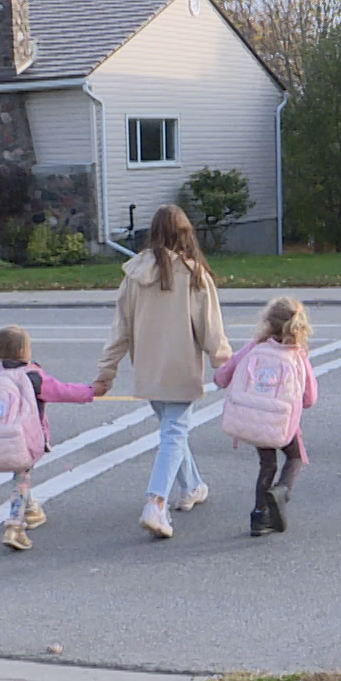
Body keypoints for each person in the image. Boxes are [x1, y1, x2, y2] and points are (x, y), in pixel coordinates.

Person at [93, 204, 232, 539]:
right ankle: (156, 502)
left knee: (173, 431)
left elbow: (120, 331)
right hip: (181, 370)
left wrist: (106, 372)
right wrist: (224, 364)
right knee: (174, 432)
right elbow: (211, 331)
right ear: (186, 234)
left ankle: (192, 487)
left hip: (148, 371)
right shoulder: (194, 274)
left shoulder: (133, 275)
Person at [0, 325, 95, 551]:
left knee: (20, 475)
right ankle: (14, 526)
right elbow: (62, 390)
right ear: (23, 351)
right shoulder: (32, 377)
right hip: (23, 440)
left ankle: (31, 510)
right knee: (21, 479)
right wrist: (91, 391)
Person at [214, 296, 318, 537]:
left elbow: (222, 377)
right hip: (283, 423)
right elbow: (309, 398)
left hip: (253, 419)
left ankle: (259, 515)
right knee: (295, 458)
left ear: (268, 323)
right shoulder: (297, 356)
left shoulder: (255, 347)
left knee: (267, 464)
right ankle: (281, 490)